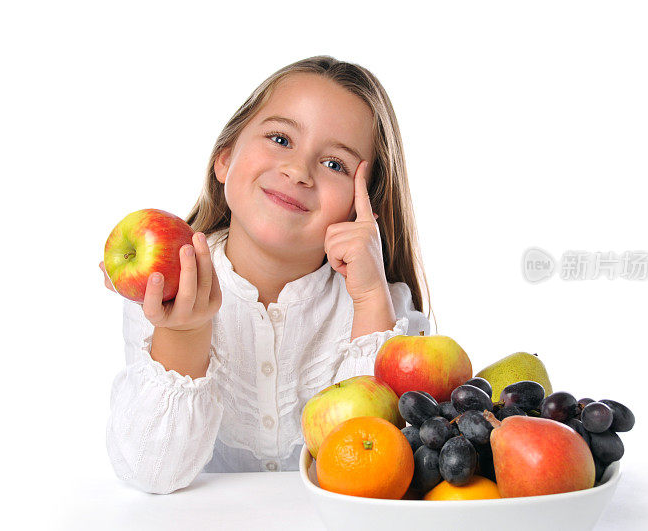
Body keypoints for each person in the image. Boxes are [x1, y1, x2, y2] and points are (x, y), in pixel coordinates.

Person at [99, 55, 434, 494]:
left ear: (361, 206)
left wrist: (370, 298)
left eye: (335, 164)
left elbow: (377, 472)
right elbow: (152, 473)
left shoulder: (385, 308)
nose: (298, 171)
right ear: (225, 159)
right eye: (280, 138)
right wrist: (184, 335)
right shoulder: (166, 293)